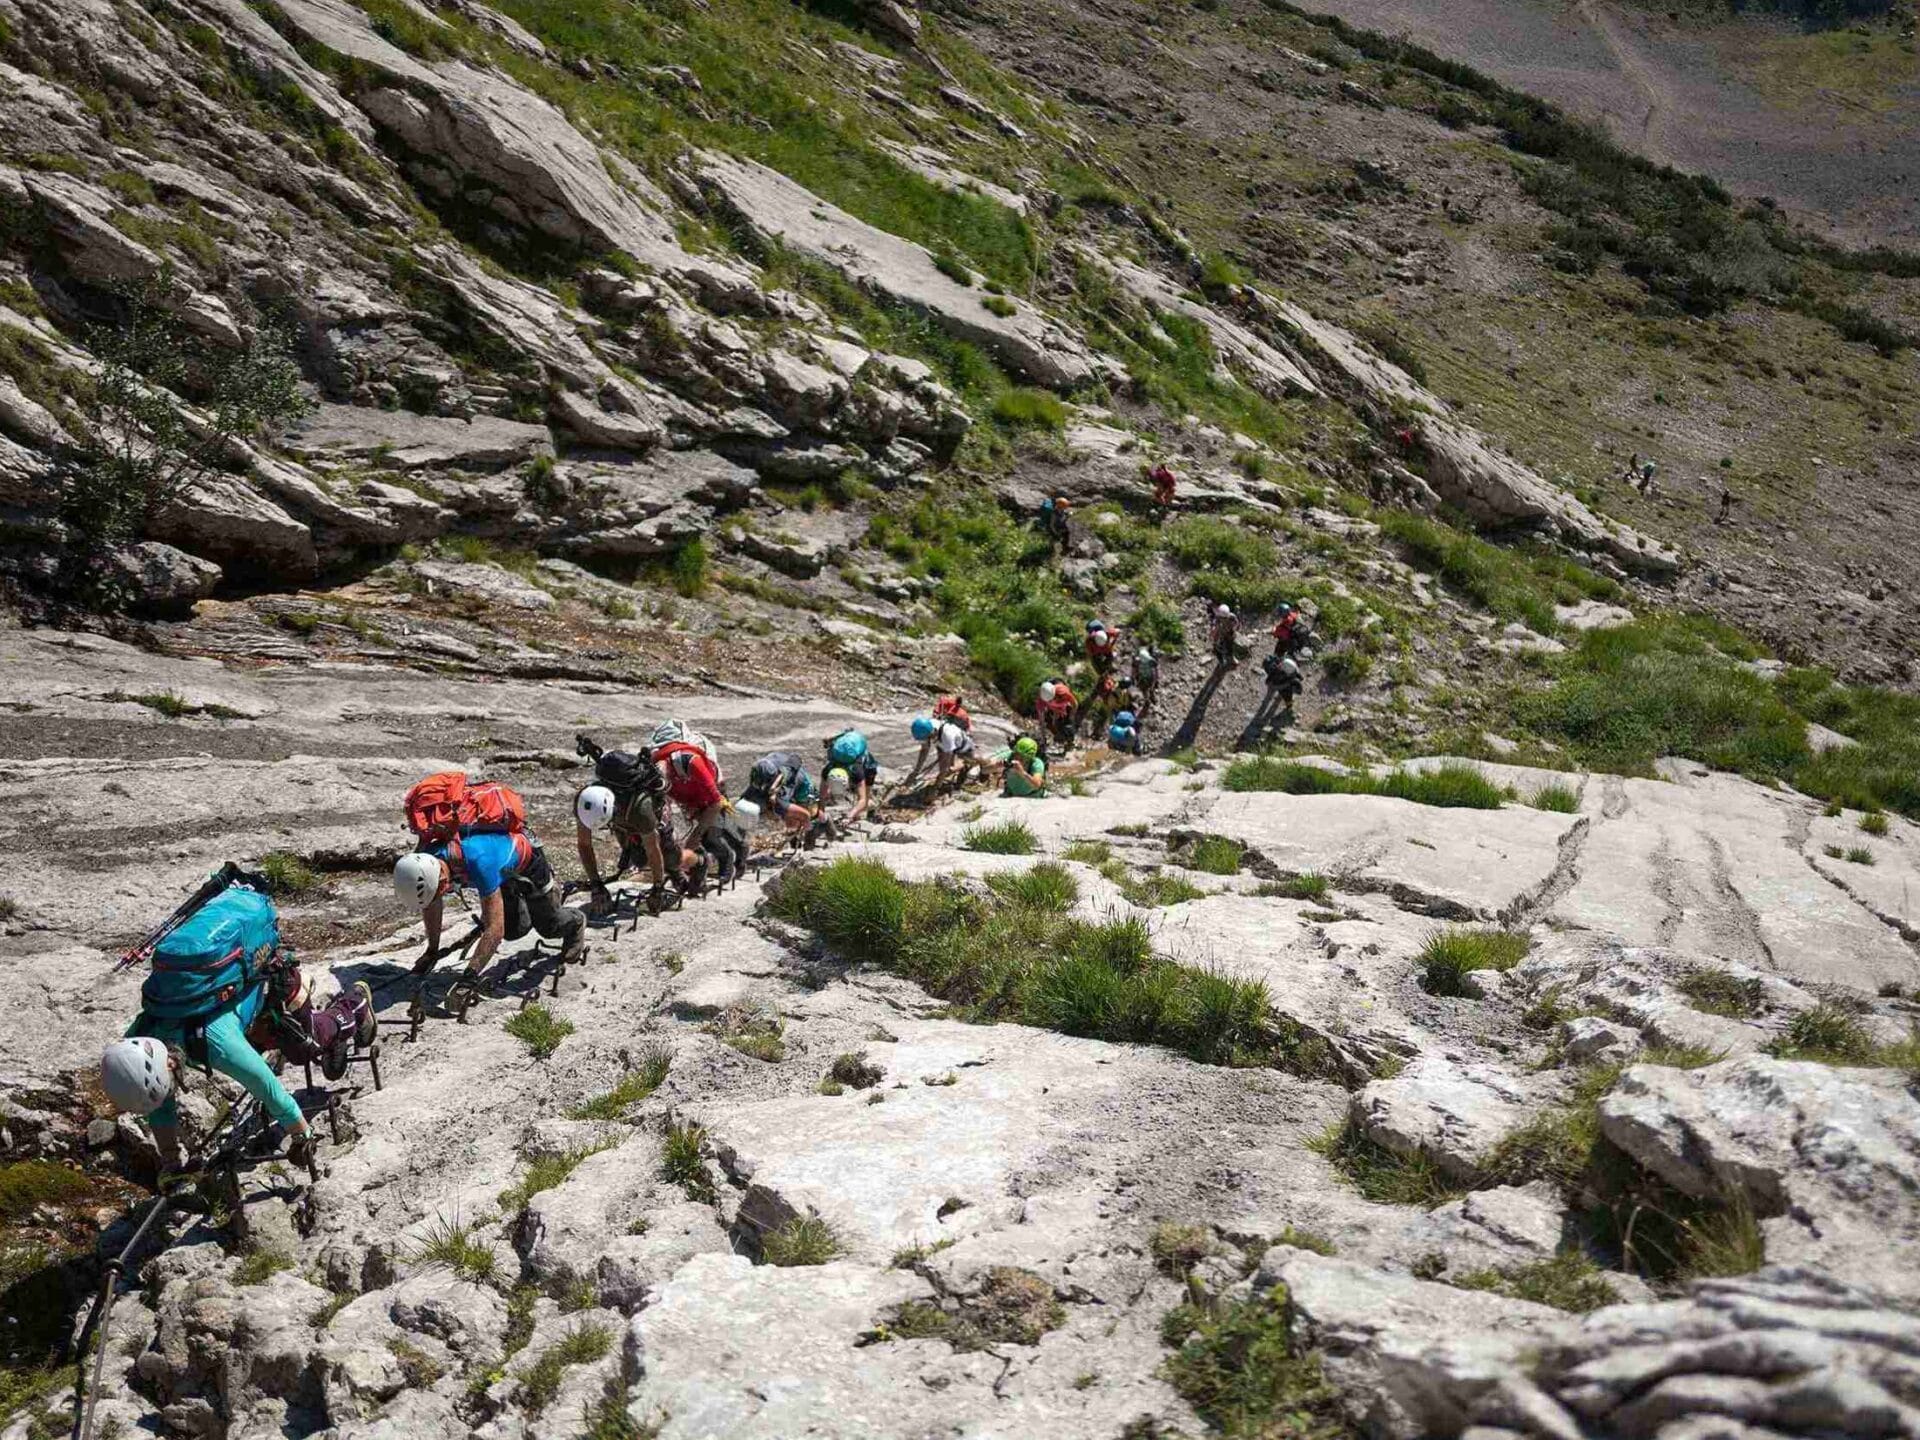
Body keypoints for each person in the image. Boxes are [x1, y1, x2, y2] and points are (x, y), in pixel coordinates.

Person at [105, 874, 372, 1177]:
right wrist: (172, 1162)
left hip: (273, 989)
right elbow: (159, 1103)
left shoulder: (215, 1042)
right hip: (241, 1008)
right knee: (279, 1047)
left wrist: (301, 1135)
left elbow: (265, 1085)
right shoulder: (140, 1044)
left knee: (307, 1047)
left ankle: (355, 1005)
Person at [396, 814, 586, 1000]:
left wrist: (468, 978)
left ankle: (576, 921)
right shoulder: (425, 862)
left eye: (439, 891)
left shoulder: (479, 861)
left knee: (549, 926)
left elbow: (495, 930)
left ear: (443, 880)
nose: (440, 895)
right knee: (513, 930)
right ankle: (519, 901)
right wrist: (432, 951)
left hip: (529, 864)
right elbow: (431, 904)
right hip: (503, 873)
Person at [573, 740, 675, 914]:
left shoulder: (641, 809)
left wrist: (657, 888)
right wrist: (596, 885)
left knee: (669, 855)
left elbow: (653, 849)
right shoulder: (584, 803)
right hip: (622, 817)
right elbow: (584, 844)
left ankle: (681, 872)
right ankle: (629, 848)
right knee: (636, 856)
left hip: (648, 815)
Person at [653, 735, 730, 883]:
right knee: (697, 841)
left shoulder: (692, 762)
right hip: (691, 798)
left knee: (711, 838)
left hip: (713, 797)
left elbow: (717, 802)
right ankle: (696, 870)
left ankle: (727, 862)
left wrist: (696, 836)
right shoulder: (655, 770)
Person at [741, 751, 821, 837]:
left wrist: (806, 825)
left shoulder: (780, 796)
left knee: (796, 821)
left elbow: (805, 814)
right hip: (778, 778)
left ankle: (821, 824)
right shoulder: (760, 770)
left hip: (801, 786)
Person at [905, 714, 977, 788]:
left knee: (950, 768)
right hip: (942, 744)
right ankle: (939, 777)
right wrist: (916, 771)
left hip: (962, 746)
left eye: (928, 738)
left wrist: (936, 787)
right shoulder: (926, 727)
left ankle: (967, 765)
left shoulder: (947, 735)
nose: (927, 740)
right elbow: (924, 749)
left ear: (933, 732)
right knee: (943, 768)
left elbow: (945, 766)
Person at [823, 728, 880, 822]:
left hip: (869, 768)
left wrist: (850, 816)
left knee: (864, 802)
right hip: (851, 758)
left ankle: (873, 807)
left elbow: (862, 799)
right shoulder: (833, 755)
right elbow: (824, 791)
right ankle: (857, 812)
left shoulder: (858, 771)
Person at [1034, 679, 1076, 752]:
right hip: (1054, 709)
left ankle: (1069, 745)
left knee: (1068, 728)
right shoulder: (1041, 701)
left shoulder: (1063, 691)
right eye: (1049, 701)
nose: (1052, 700)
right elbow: (1041, 720)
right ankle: (1059, 739)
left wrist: (1071, 717)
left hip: (1065, 707)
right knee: (1051, 725)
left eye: (1053, 698)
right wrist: (1043, 738)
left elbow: (1075, 704)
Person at [1209, 603, 1239, 669]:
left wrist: (1234, 630)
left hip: (1229, 635)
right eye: (1222, 618)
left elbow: (1237, 623)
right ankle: (1221, 662)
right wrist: (1214, 635)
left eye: (1225, 617)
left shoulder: (1232, 617)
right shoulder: (1216, 619)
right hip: (1219, 636)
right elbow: (1213, 629)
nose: (1224, 619)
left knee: (1230, 647)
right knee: (1218, 650)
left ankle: (1231, 658)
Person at [1131, 646, 1160, 716]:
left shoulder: (1151, 660)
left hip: (1149, 677)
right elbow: (1134, 670)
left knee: (1150, 688)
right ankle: (1147, 700)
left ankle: (1151, 696)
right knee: (1144, 690)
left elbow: (1156, 671)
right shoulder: (1138, 660)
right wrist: (1134, 678)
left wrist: (1156, 680)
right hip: (1143, 677)